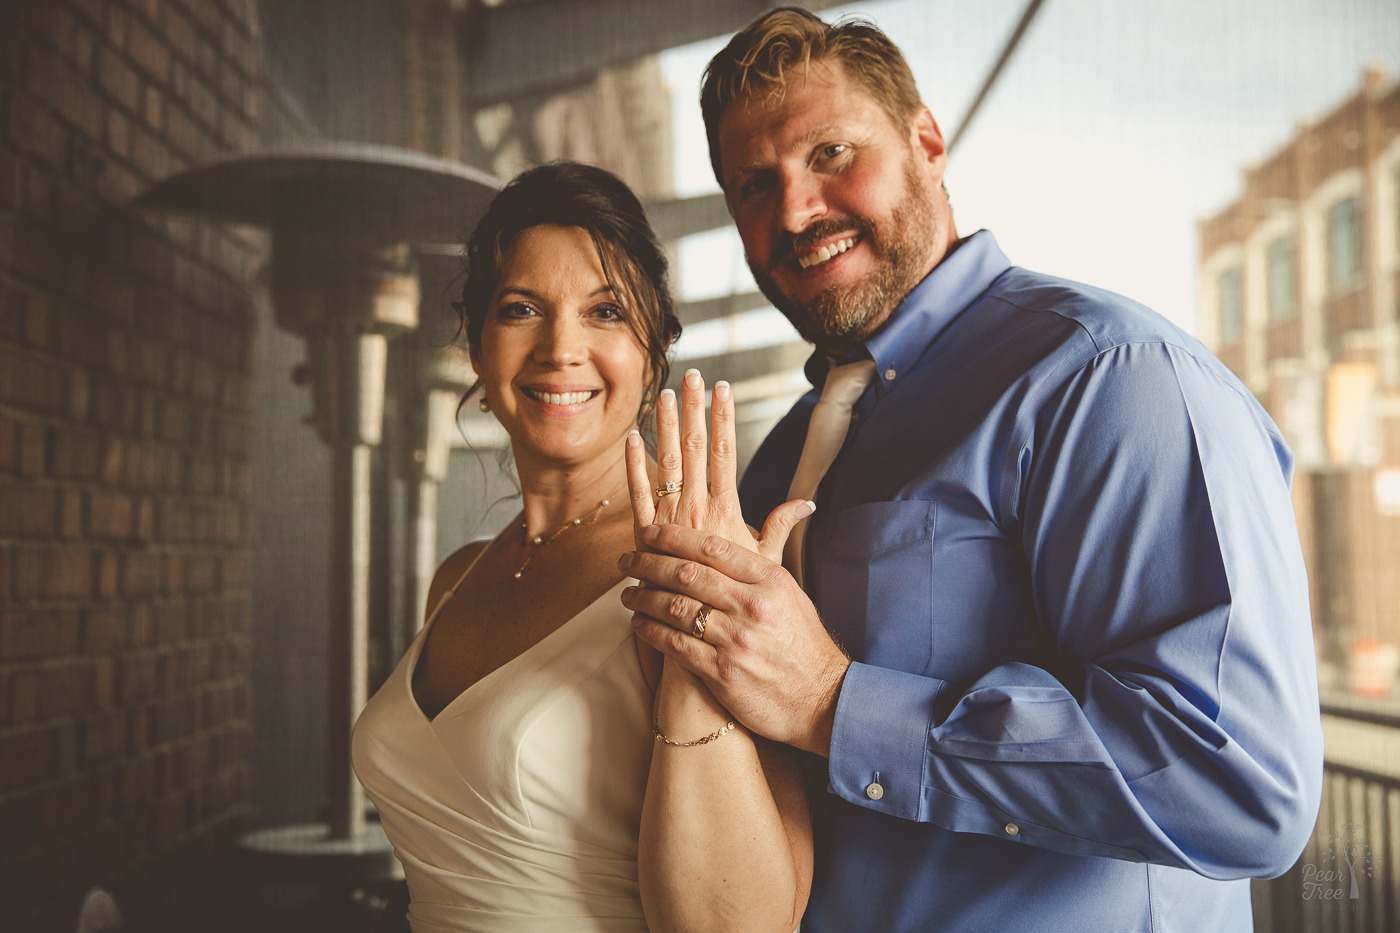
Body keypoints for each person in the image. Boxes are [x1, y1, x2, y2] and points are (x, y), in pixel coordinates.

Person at [618, 8, 1323, 932]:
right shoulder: (780, 454)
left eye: (830, 154)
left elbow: (1240, 781)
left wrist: (834, 702)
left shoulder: (1109, 377)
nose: (793, 211)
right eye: (754, 185)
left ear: (927, 141)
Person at [351, 161, 811, 933]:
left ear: (652, 350)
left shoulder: (708, 562)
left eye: (605, 312)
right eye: (522, 307)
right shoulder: (457, 578)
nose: (561, 347)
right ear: (474, 340)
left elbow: (746, 926)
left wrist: (691, 665)